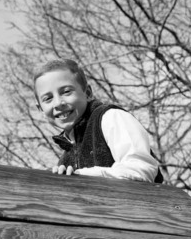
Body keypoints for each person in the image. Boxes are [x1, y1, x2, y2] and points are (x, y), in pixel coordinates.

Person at [33, 58, 163, 183]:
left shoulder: (110, 118)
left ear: (88, 93)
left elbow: (140, 170)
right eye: (48, 98)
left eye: (66, 92)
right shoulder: (65, 159)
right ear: (41, 109)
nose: (58, 103)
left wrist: (82, 177)